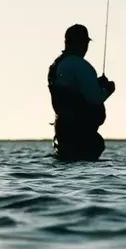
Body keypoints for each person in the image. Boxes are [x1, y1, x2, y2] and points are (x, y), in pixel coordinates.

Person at [47, 24, 115, 161]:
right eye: (84, 43)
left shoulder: (57, 65)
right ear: (81, 43)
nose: (86, 47)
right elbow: (95, 98)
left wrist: (95, 83)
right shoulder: (81, 66)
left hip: (63, 133)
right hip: (81, 135)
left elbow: (72, 91)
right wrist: (108, 89)